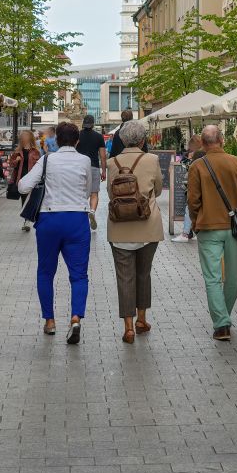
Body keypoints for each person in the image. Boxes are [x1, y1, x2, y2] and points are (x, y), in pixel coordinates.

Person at [186, 124, 237, 342]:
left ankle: (221, 323)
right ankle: (224, 319)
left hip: (208, 228)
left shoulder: (197, 166)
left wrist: (196, 223)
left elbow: (193, 201)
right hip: (236, 228)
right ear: (222, 141)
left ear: (203, 144)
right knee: (232, 276)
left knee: (212, 278)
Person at [18, 121, 94, 344]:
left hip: (50, 219)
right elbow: (88, 190)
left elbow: (23, 187)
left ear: (57, 140)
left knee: (45, 272)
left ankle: (49, 321)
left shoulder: (47, 159)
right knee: (79, 274)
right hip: (77, 219)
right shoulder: (85, 161)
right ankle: (75, 317)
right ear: (77, 141)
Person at [105, 120, 163, 344]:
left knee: (124, 278)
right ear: (142, 140)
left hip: (119, 228)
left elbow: (112, 194)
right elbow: (157, 189)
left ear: (121, 139)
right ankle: (142, 319)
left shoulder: (112, 162)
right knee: (143, 274)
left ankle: (128, 327)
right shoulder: (152, 160)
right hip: (148, 227)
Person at [75, 115, 108, 229]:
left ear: (84, 123)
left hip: (79, 167)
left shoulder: (77, 135)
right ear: (93, 124)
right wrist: (104, 171)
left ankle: (81, 216)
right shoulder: (99, 137)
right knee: (94, 193)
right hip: (93, 167)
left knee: (80, 193)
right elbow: (103, 156)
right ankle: (92, 211)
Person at [7, 129, 42, 232]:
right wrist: (16, 161)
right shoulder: (18, 151)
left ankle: (29, 219)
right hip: (21, 178)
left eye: (26, 137)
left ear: (29, 138)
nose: (24, 139)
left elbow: (39, 165)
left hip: (32, 178)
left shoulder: (36, 151)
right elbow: (11, 164)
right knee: (24, 199)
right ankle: (26, 220)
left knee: (31, 199)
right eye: (23, 137)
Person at [172, 135, 205, 242]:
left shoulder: (198, 154)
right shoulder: (206, 152)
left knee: (189, 208)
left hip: (195, 186)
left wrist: (189, 159)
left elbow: (188, 167)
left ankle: (185, 234)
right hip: (205, 187)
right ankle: (194, 232)